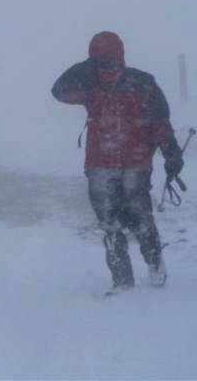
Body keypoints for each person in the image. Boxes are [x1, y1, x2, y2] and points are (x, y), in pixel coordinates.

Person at [51, 31, 184, 291]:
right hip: (100, 164)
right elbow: (58, 91)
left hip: (135, 164)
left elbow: (160, 123)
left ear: (120, 58)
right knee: (109, 224)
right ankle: (122, 280)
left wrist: (172, 153)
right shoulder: (89, 85)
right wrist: (84, 68)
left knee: (140, 218)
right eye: (97, 63)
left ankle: (154, 261)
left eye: (108, 62)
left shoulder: (143, 83)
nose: (104, 69)